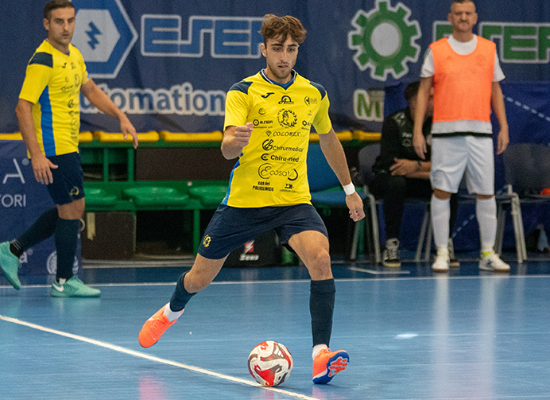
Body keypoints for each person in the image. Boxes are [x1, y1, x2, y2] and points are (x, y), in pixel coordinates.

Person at [138, 14, 365, 385]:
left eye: (291, 49)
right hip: (244, 204)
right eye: (277, 48)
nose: (284, 56)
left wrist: (349, 190)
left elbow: (328, 139)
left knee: (321, 259)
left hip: (293, 202)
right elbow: (227, 147)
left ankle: (321, 355)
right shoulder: (243, 91)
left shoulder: (314, 93)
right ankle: (170, 312)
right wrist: (235, 140)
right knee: (198, 279)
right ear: (264, 50)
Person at [0, 0, 138, 296]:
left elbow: (91, 90)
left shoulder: (74, 54)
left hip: (69, 145)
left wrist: (120, 116)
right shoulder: (43, 60)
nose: (66, 27)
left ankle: (13, 250)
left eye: (70, 20)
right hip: (52, 148)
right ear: (46, 24)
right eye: (59, 21)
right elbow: (22, 107)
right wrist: (37, 154)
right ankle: (63, 282)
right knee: (72, 209)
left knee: (71, 209)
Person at [413, 0, 510, 273]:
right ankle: (442, 252)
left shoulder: (489, 49)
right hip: (446, 134)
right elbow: (423, 91)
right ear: (450, 17)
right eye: (458, 14)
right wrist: (418, 130)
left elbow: (496, 90)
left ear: (475, 17)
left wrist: (504, 126)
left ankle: (488, 253)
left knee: (486, 193)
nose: (463, 17)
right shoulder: (437, 50)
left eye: (468, 13)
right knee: (442, 192)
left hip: (481, 134)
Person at [370, 81, 459, 268]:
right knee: (396, 184)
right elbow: (392, 165)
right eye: (430, 98)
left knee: (448, 186)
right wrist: (428, 170)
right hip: (389, 179)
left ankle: (445, 244)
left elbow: (447, 164)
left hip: (421, 178)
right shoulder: (395, 122)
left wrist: (416, 166)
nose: (435, 101)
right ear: (414, 102)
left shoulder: (439, 125)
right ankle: (391, 244)